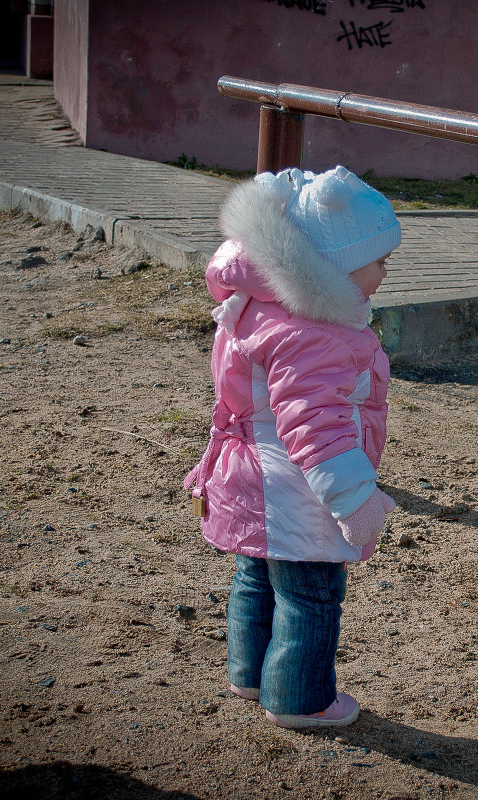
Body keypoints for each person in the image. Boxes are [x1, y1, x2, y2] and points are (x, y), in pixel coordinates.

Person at [184, 166, 400, 727]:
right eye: (379, 260)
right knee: (310, 593)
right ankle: (301, 700)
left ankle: (250, 674)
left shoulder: (261, 308)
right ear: (332, 266)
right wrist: (356, 501)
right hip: (297, 489)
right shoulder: (314, 333)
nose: (385, 271)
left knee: (257, 576)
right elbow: (318, 428)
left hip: (250, 472)